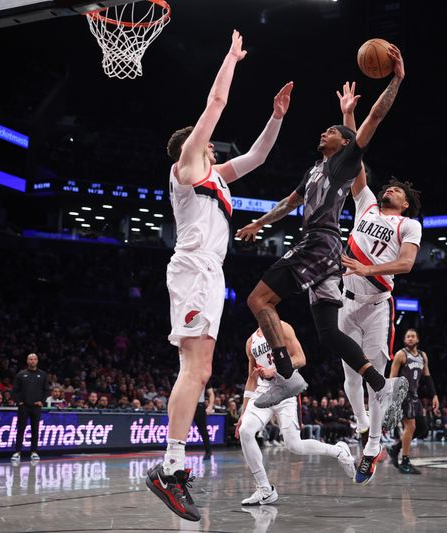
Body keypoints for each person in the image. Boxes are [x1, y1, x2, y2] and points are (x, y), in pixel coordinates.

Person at [145, 30, 293, 523]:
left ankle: (172, 466)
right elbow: (216, 102)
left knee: (201, 370)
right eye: (204, 142)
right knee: (194, 369)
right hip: (192, 268)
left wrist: (275, 118)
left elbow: (257, 158)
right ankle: (169, 468)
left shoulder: (216, 177)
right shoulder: (187, 169)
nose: (210, 145)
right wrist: (230, 59)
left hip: (208, 273)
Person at [237, 46, 407, 415]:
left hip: (320, 242)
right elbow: (288, 202)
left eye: (332, 131)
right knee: (328, 333)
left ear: (345, 144)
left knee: (258, 300)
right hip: (326, 254)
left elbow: (373, 119)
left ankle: (286, 376)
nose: (324, 131)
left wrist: (395, 79)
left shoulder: (344, 164)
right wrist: (258, 222)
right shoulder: (315, 168)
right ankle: (383, 386)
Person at [325, 80, 421, 483]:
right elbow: (356, 156)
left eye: (398, 191)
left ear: (406, 204)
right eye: (390, 187)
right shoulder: (365, 202)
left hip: (379, 303)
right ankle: (364, 427)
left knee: (377, 377)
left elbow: (406, 265)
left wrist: (367, 269)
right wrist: (349, 114)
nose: (390, 189)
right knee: (350, 375)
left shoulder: (409, 223)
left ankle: (374, 442)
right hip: (347, 297)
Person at [236, 322, 355, 506]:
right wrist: (243, 412)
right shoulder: (250, 341)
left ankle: (339, 452)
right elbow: (251, 379)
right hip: (263, 393)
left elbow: (300, 358)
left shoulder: (282, 327)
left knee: (294, 445)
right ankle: (265, 489)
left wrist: (273, 370)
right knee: (245, 431)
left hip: (286, 391)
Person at [388, 329, 439, 475]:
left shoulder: (423, 356)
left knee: (422, 428)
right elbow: (392, 377)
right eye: (408, 336)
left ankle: (395, 448)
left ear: (417, 340)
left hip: (415, 396)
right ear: (405, 340)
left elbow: (427, 377)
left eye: (413, 336)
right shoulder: (400, 354)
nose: (410, 338)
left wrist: (434, 395)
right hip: (403, 394)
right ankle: (405, 461)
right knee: (410, 426)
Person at [11, 353, 50, 463]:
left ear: (37, 361)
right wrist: (19, 402)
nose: (32, 361)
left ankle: (34, 452)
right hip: (24, 406)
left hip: (36, 407)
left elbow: (46, 390)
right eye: (30, 359)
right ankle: (17, 452)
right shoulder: (21, 374)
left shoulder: (43, 375)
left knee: (35, 429)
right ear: (27, 361)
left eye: (34, 359)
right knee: (21, 429)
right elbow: (15, 390)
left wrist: (42, 401)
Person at [194, 384, 215, 460]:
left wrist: (210, 406)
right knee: (183, 430)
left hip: (199, 406)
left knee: (203, 430)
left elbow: (211, 393)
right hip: (188, 405)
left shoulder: (204, 377)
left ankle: (208, 451)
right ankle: (179, 451)